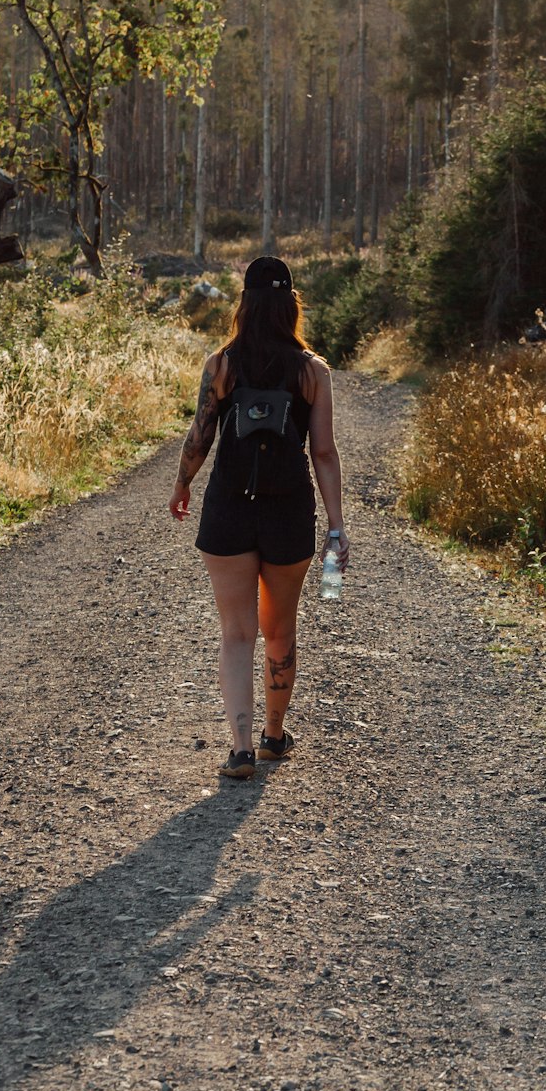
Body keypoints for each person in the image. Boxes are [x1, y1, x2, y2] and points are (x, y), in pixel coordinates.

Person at [169, 256, 350, 779]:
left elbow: (200, 435)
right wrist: (336, 526)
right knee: (280, 631)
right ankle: (275, 737)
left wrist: (182, 483)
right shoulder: (312, 371)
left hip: (227, 509)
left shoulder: (221, 364)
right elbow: (324, 454)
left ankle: (241, 748)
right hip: (288, 513)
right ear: (291, 306)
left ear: (244, 306)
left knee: (236, 633)